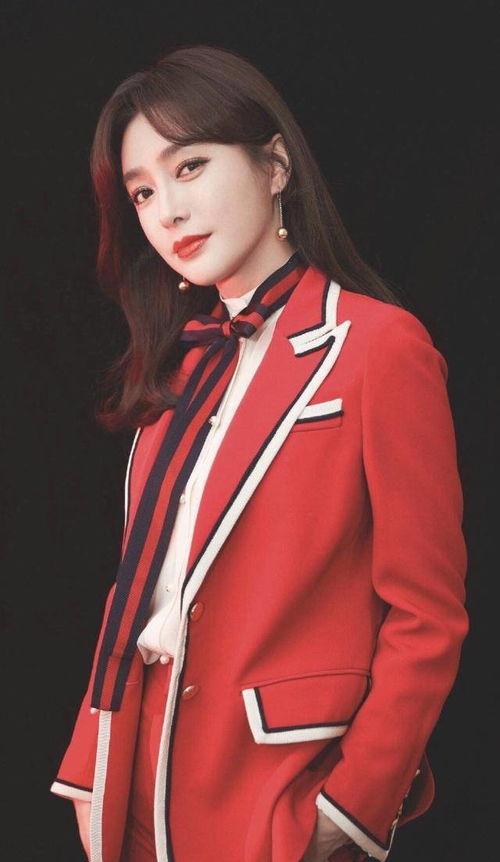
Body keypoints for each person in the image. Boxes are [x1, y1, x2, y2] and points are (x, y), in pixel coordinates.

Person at [49, 44, 469, 862]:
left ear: (274, 165)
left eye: (190, 166)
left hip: (270, 787)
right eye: (143, 191)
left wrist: (348, 810)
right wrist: (86, 766)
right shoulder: (179, 368)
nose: (168, 210)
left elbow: (428, 616)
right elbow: (141, 581)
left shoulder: (379, 347)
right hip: (133, 777)